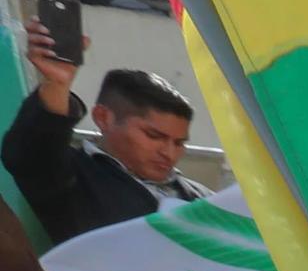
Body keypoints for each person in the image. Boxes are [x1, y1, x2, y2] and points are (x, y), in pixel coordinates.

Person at [0, 61, 200, 245]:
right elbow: (31, 152)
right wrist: (57, 84)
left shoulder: (202, 198)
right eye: (154, 136)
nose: (169, 152)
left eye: (179, 143)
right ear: (103, 118)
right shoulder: (74, 177)